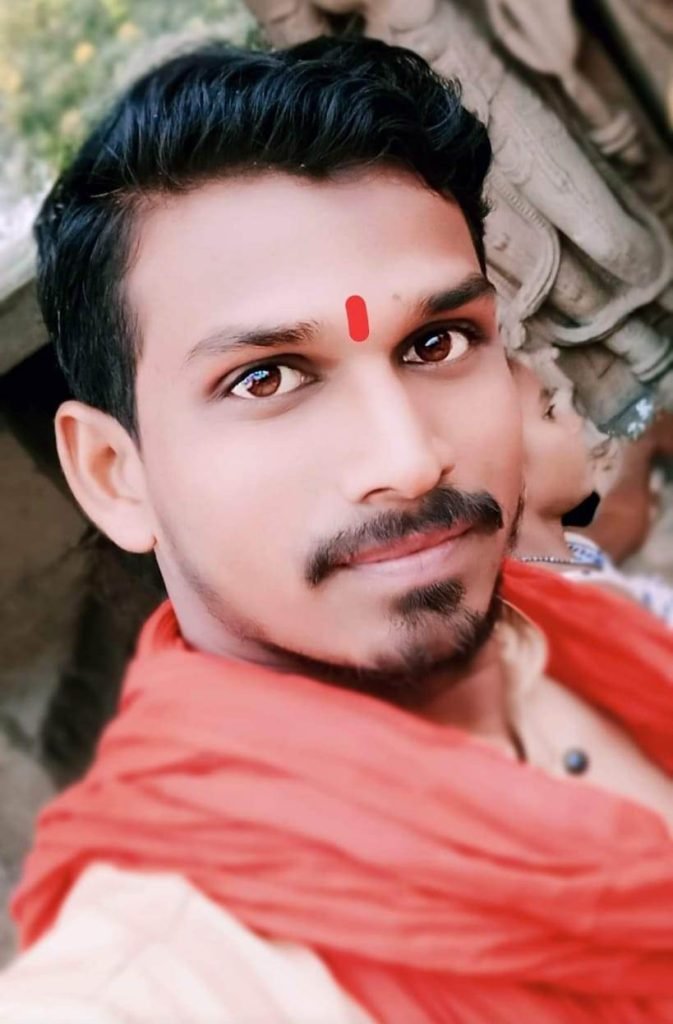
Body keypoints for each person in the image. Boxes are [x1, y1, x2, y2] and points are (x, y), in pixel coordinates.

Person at [0, 36, 672, 1024]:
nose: (408, 459)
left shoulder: (580, 629)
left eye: (436, 342)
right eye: (265, 377)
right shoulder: (150, 984)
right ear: (114, 475)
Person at [512, 356, 673, 625]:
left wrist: (643, 446)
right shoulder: (591, 606)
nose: (576, 421)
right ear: (508, 478)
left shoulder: (563, 550)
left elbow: (618, 521)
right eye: (550, 413)